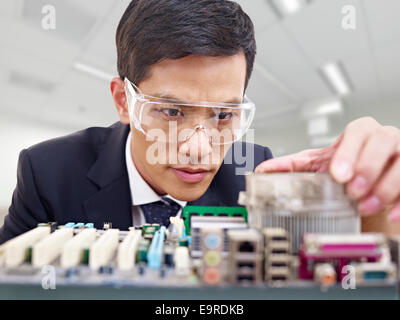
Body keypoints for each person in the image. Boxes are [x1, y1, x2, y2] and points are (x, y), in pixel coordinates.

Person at [1, 0, 399, 244]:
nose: (199, 149)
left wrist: (371, 214)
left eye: (224, 115)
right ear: (124, 101)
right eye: (172, 112)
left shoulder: (254, 172)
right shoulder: (49, 173)